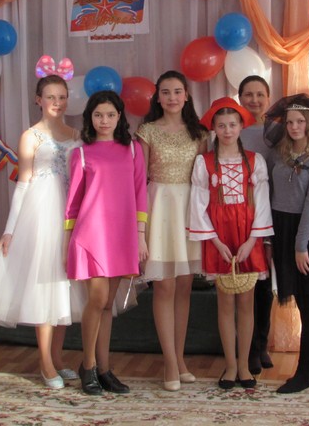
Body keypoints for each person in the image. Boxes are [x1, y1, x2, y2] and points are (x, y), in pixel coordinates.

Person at [0, 75, 82, 389]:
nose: (57, 103)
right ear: (38, 100)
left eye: (61, 97)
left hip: (71, 214)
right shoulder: (30, 136)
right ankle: (45, 362)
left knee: (64, 285)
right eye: (50, 97)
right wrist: (10, 230)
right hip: (42, 215)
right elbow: (23, 185)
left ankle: (58, 357)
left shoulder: (77, 135)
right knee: (45, 284)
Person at [64, 90, 148, 395]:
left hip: (122, 235)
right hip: (91, 235)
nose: (104, 120)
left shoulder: (133, 150)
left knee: (108, 304)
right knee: (97, 299)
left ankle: (104, 368)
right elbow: (73, 203)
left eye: (110, 115)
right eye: (98, 115)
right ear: (90, 117)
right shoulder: (81, 154)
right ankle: (87, 365)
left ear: (120, 117)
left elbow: (140, 193)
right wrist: (67, 244)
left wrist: (140, 235)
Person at [189, 97, 273, 390]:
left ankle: (245, 365)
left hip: (248, 235)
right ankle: (230, 365)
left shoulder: (255, 160)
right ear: (214, 128)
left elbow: (261, 202)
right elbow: (198, 204)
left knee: (247, 303)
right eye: (222, 125)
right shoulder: (204, 162)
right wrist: (214, 241)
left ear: (240, 127)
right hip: (219, 237)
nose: (227, 130)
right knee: (224, 303)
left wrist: (253, 240)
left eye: (232, 125)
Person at [136, 70, 208, 392]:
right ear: (157, 97)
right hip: (159, 208)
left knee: (184, 287)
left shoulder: (200, 133)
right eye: (165, 92)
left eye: (177, 91)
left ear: (187, 95)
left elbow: (204, 180)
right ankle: (168, 362)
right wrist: (139, 228)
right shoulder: (147, 131)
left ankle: (179, 359)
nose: (172, 97)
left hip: (189, 210)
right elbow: (139, 181)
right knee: (164, 287)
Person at [263, 94, 309, 394]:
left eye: (300, 121)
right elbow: (269, 193)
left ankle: (303, 373)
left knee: (308, 303)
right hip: (281, 228)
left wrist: (300, 246)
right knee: (302, 301)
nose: (294, 126)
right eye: (290, 121)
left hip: (307, 233)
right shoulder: (277, 154)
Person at [237, 75, 275, 375]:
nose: (254, 100)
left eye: (260, 94)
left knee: (265, 283)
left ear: (268, 97)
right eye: (248, 95)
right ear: (240, 98)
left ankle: (262, 343)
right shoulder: (232, 129)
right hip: (241, 216)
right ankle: (247, 347)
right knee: (245, 281)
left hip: (274, 212)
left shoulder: (278, 131)